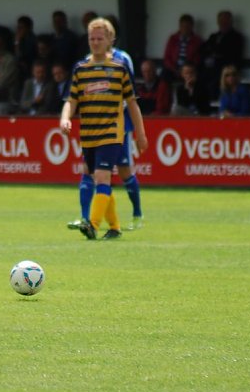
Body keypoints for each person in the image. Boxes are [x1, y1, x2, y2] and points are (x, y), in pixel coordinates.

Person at [60, 17, 148, 241]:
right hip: (89, 133)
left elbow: (133, 103)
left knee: (101, 176)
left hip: (112, 131)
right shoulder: (81, 69)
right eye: (92, 38)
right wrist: (65, 119)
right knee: (93, 175)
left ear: (110, 40)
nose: (95, 42)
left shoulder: (119, 69)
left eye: (100, 38)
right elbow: (71, 100)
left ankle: (92, 223)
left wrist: (140, 134)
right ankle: (115, 227)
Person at [201, 10, 245, 98]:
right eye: (221, 21)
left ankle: (212, 97)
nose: (223, 23)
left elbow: (232, 53)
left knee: (217, 71)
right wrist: (214, 53)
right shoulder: (213, 36)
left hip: (228, 65)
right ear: (218, 22)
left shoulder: (237, 37)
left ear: (231, 22)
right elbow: (203, 50)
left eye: (226, 21)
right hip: (211, 66)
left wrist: (216, 53)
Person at [162, 14, 203, 82]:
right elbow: (167, 57)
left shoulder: (197, 41)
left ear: (192, 26)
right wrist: (174, 69)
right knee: (164, 75)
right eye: (183, 26)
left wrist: (185, 70)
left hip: (189, 69)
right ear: (179, 26)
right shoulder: (173, 39)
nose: (185, 29)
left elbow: (197, 59)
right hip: (173, 68)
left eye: (187, 26)